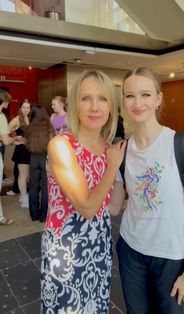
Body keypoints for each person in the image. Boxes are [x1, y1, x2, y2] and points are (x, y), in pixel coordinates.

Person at [110, 67, 184, 314]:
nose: (137, 102)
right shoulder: (121, 151)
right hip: (131, 250)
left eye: (145, 94)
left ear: (158, 99)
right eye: (130, 95)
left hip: (171, 255)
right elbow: (113, 208)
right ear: (123, 101)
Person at [40, 70, 126, 313]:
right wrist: (112, 166)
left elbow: (112, 208)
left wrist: (121, 176)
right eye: (86, 98)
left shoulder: (108, 148)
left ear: (111, 106)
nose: (95, 106)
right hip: (65, 252)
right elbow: (87, 208)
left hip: (98, 246)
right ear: (75, 104)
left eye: (102, 98)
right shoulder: (61, 145)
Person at [0, 89, 24, 225]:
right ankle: (1, 217)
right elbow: (5, 141)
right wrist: (15, 139)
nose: (8, 103)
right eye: (7, 101)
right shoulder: (1, 116)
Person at [25, 104, 52, 222]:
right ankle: (43, 216)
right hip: (45, 157)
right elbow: (52, 143)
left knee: (33, 186)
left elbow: (27, 143)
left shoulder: (30, 127)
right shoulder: (49, 127)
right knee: (46, 187)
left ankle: (34, 215)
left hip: (33, 158)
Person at [8, 99, 32, 207]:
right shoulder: (17, 119)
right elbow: (4, 133)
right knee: (23, 175)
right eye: (24, 107)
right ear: (20, 108)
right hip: (22, 151)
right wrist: (15, 141)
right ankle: (24, 199)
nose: (26, 109)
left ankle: (23, 196)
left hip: (31, 150)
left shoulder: (31, 118)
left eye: (28, 107)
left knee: (27, 176)